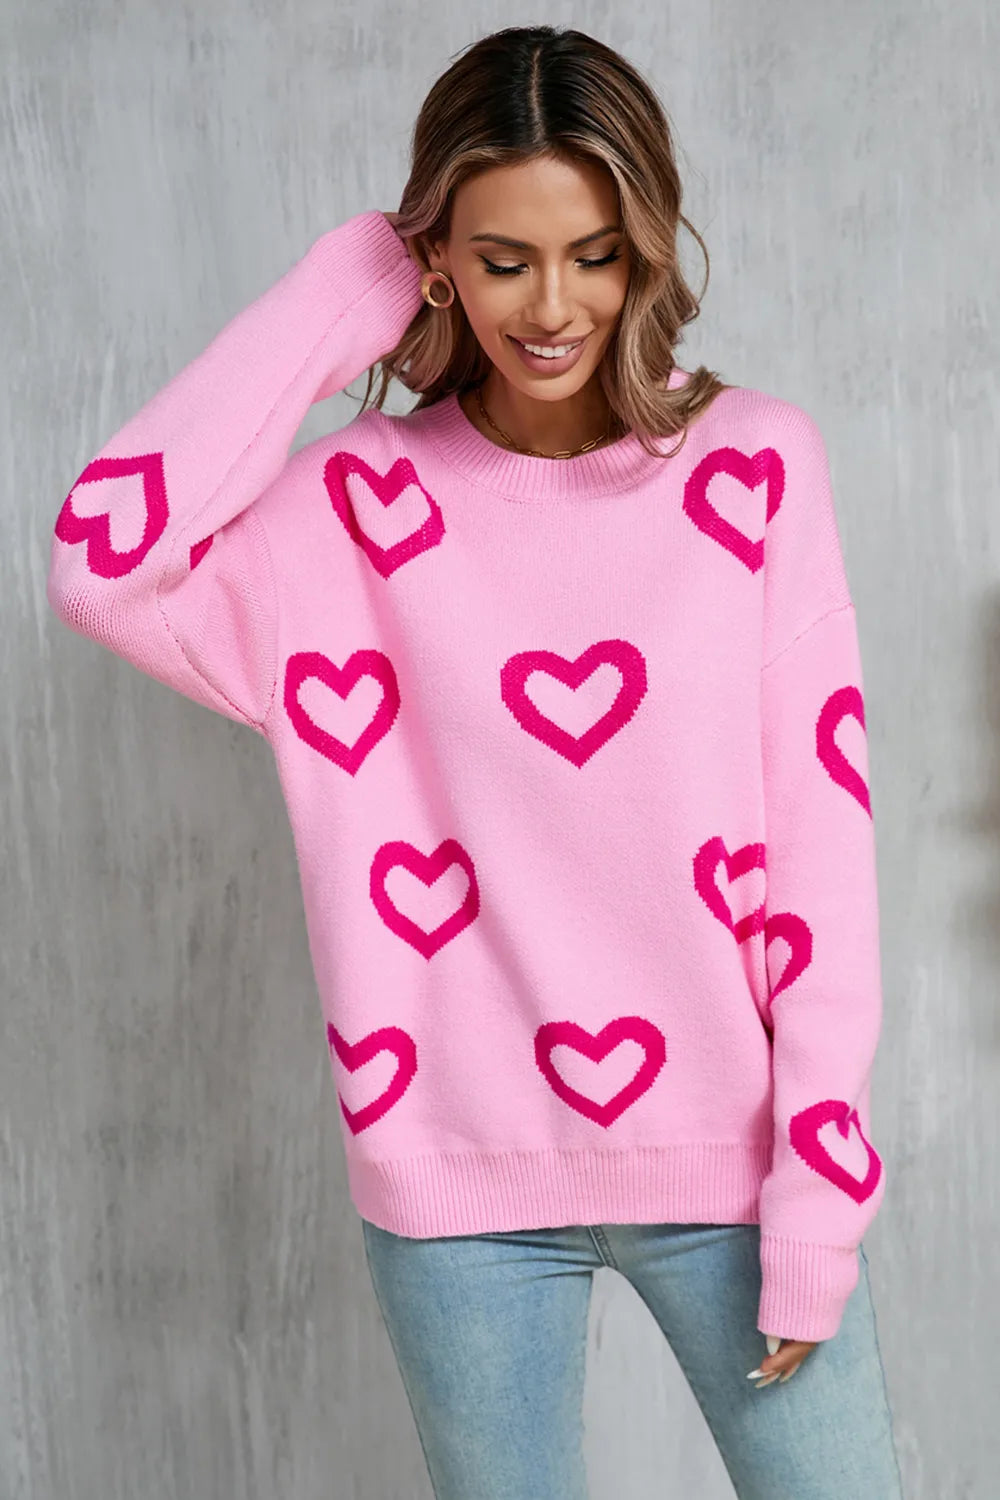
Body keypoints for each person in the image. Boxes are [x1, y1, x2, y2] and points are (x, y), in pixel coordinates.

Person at [47, 22, 904, 1500]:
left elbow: (822, 852)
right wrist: (345, 290)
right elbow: (100, 567)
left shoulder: (756, 468)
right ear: (436, 256)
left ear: (645, 250)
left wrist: (820, 1199)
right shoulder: (350, 512)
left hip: (738, 1165)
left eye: (596, 255)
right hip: (455, 1188)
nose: (554, 306)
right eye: (503, 259)